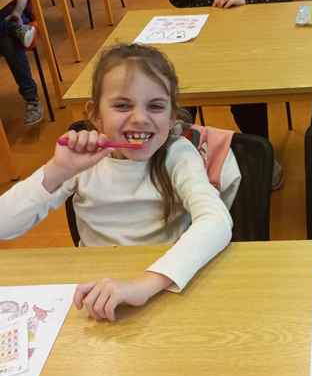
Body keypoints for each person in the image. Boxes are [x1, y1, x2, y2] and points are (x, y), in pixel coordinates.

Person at [0, 43, 240, 322]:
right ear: (95, 114)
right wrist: (57, 171)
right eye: (122, 105)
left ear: (172, 116)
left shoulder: (178, 154)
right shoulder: (83, 159)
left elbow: (216, 222)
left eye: (156, 106)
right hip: (94, 290)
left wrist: (144, 284)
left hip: (164, 286)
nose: (140, 118)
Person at [166, 0, 290, 189]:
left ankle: (262, 156)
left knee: (247, 101)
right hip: (201, 48)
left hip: (246, 50)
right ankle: (182, 159)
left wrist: (246, 1)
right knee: (179, 96)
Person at [0, 0, 42, 125]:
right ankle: (16, 30)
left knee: (7, 39)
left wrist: (17, 13)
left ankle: (32, 99)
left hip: (13, 13)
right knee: (7, 34)